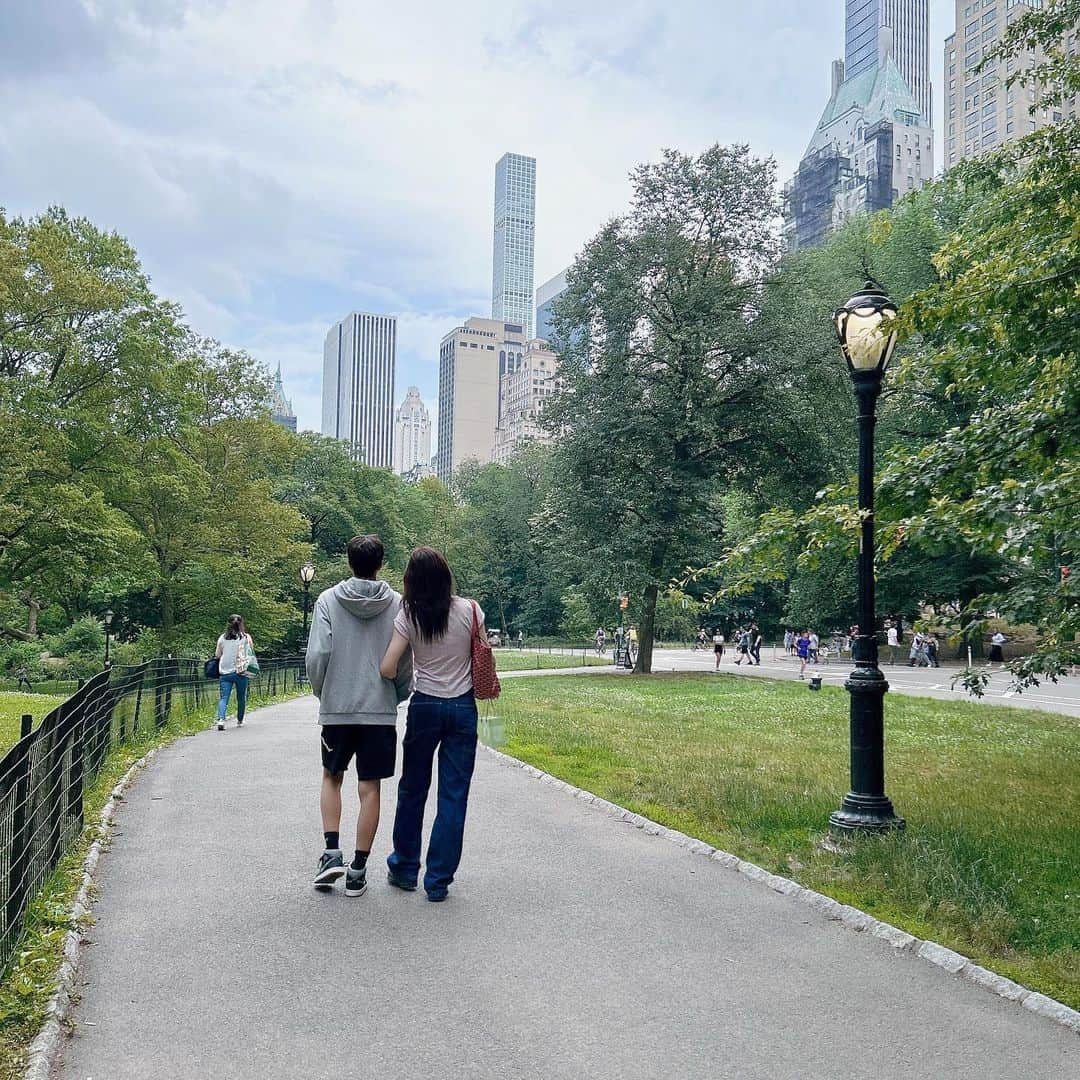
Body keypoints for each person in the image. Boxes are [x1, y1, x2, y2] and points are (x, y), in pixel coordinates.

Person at [306, 535, 412, 896]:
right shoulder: (398, 605)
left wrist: (324, 691)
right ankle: (358, 870)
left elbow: (318, 653)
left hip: (338, 707)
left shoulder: (327, 600)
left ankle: (331, 852)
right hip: (378, 711)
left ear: (349, 561)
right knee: (370, 788)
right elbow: (404, 658)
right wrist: (396, 694)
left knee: (331, 776)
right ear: (380, 564)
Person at [380, 547, 482, 903]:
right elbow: (481, 654)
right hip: (463, 708)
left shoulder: (408, 613)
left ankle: (405, 868)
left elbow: (388, 666)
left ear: (411, 580)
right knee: (453, 795)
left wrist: (406, 684)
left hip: (424, 705)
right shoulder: (470, 610)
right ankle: (438, 881)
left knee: (412, 790)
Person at [214, 615, 255, 731]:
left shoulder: (222, 638)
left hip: (225, 672)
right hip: (241, 671)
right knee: (241, 697)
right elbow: (251, 651)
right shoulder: (246, 637)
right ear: (241, 624)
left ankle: (221, 720)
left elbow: (217, 655)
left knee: (224, 697)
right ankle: (240, 720)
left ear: (228, 624)